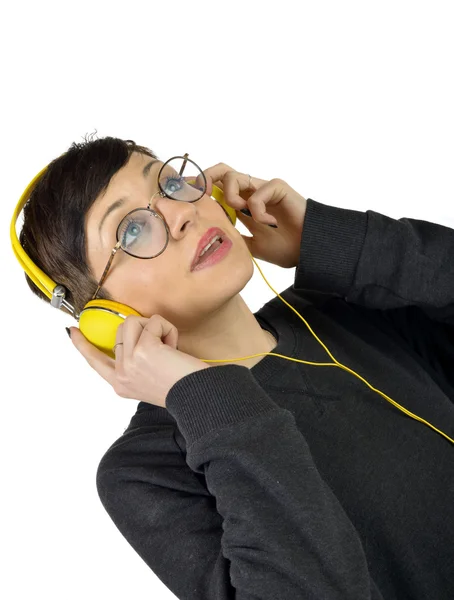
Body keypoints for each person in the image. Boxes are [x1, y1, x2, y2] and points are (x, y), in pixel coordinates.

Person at [19, 136, 454, 599]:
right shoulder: (145, 469)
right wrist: (205, 399)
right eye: (131, 231)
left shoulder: (345, 303)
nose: (181, 213)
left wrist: (328, 241)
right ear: (104, 317)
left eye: (169, 184)